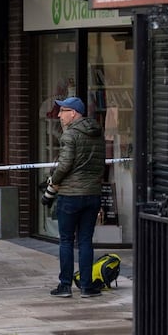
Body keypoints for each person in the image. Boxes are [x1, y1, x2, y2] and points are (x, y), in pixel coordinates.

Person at [44, 96, 105, 298]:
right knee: (86, 240)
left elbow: (64, 165)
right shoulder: (97, 133)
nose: (59, 115)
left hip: (70, 195)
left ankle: (65, 285)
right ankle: (87, 286)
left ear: (74, 113)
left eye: (63, 111)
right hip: (93, 194)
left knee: (67, 241)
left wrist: (53, 181)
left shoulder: (70, 135)